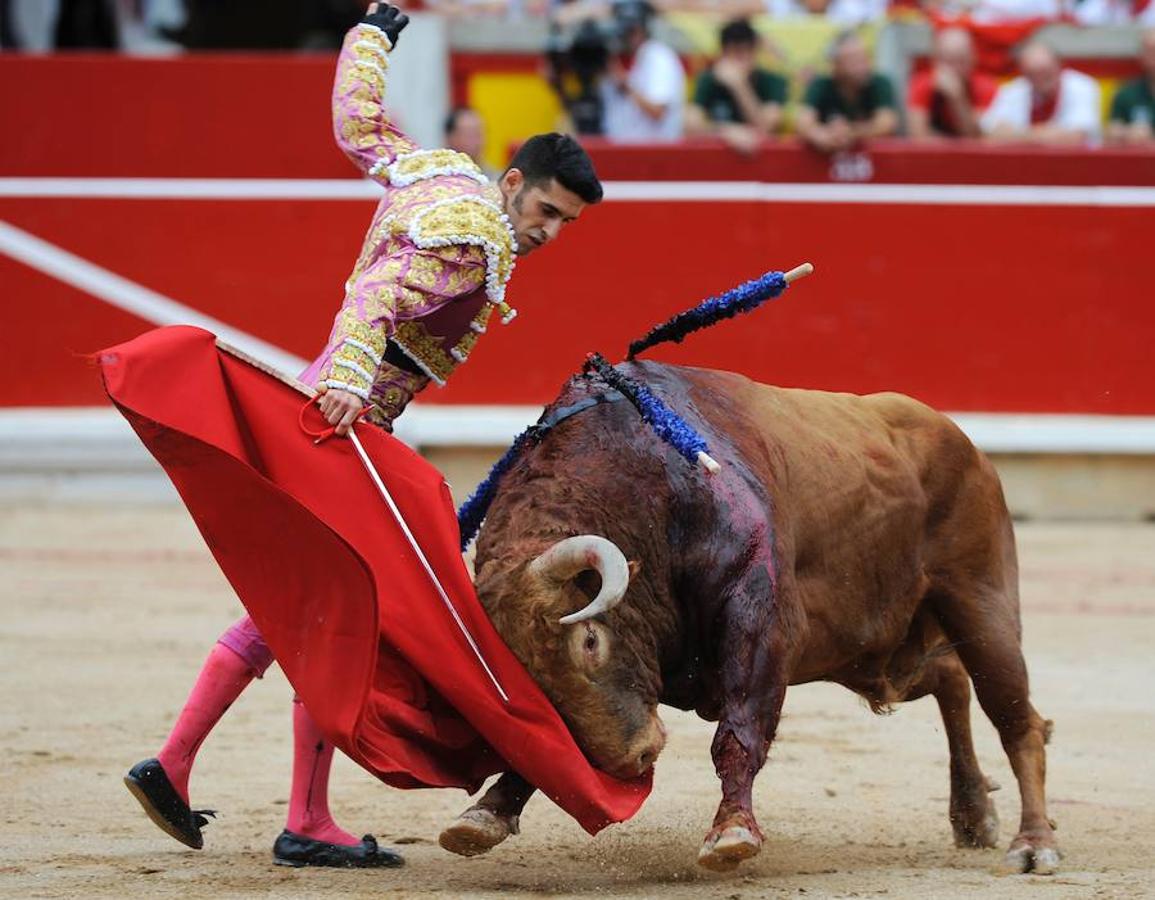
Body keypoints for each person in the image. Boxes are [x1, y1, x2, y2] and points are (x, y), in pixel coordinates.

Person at [124, 1, 603, 869]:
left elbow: (359, 127)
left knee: (310, 612)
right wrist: (349, 383)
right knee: (335, 614)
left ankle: (194, 769)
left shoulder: (438, 175)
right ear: (512, 182)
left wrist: (372, 36)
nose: (549, 231)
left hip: (330, 420)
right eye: (546, 209)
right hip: (344, 429)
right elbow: (377, 292)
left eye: (565, 222)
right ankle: (279, 806)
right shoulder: (476, 231)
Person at [686, 18, 788, 154]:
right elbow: (690, 124)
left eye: (748, 51)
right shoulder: (709, 79)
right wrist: (725, 132)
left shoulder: (773, 81)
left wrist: (739, 86)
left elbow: (766, 126)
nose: (743, 59)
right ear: (723, 53)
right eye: (736, 52)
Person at [795, 30, 898, 153]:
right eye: (853, 60)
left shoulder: (880, 82)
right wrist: (819, 135)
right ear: (835, 65)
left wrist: (850, 131)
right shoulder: (821, 85)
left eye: (864, 58)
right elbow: (803, 121)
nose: (862, 66)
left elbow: (886, 123)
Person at [981, 42, 1101, 145]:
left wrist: (1019, 135)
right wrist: (1047, 135)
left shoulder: (1082, 86)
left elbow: (1076, 137)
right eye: (1033, 74)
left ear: (1059, 66)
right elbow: (990, 133)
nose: (1040, 79)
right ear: (1024, 73)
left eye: (1045, 72)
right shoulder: (1015, 89)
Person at [600, 0, 686, 142]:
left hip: (655, 153)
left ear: (645, 29)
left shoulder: (659, 56)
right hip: (621, 151)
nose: (626, 37)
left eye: (632, 31)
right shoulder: (616, 57)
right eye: (624, 32)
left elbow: (658, 111)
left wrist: (626, 87)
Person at [907, 26, 997, 140]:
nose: (954, 69)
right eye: (948, 60)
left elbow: (976, 138)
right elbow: (918, 138)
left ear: (973, 59)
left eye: (960, 60)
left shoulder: (985, 87)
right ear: (935, 60)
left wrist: (957, 99)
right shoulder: (922, 83)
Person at [1106, 28, 1155, 145]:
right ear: (1141, 56)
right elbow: (1111, 133)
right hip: (1140, 160)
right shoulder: (1126, 93)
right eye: (1150, 50)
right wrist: (1126, 133)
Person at [444, 105, 499, 177]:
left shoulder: (497, 179)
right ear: (450, 138)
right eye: (469, 134)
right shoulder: (436, 178)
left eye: (479, 133)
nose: (477, 141)